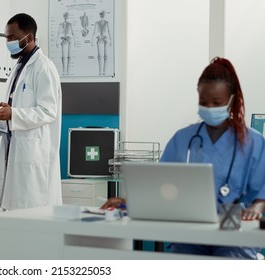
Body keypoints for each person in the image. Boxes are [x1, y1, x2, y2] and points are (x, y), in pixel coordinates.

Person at [101, 57, 265, 259]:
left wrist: (256, 207)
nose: (210, 107)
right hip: (189, 229)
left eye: (217, 102)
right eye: (204, 102)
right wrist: (128, 201)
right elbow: (160, 186)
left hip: (232, 227)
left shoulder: (253, 142)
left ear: (231, 99)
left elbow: (261, 193)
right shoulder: (183, 139)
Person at [0, 13, 62, 211]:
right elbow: (18, 107)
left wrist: (13, 115)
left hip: (34, 154)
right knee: (13, 213)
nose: (8, 42)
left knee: (32, 213)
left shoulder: (43, 67)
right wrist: (0, 122)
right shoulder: (19, 66)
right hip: (15, 149)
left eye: (12, 37)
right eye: (6, 37)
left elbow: (48, 111)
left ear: (28, 36)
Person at [91, 10, 112, 76]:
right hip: (99, 38)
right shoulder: (97, 23)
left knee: (104, 56)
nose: (101, 16)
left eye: (102, 15)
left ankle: (104, 71)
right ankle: (100, 71)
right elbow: (94, 32)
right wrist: (92, 39)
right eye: (101, 15)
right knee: (100, 56)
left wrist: (110, 40)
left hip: (104, 39)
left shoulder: (106, 22)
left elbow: (108, 31)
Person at [56, 11, 76, 75]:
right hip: (63, 40)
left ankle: (67, 71)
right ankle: (64, 71)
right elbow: (59, 33)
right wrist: (58, 41)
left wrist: (74, 40)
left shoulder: (70, 24)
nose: (65, 17)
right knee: (63, 56)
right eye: (64, 16)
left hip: (68, 40)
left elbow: (72, 33)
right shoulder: (60, 25)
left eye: (66, 16)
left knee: (68, 56)